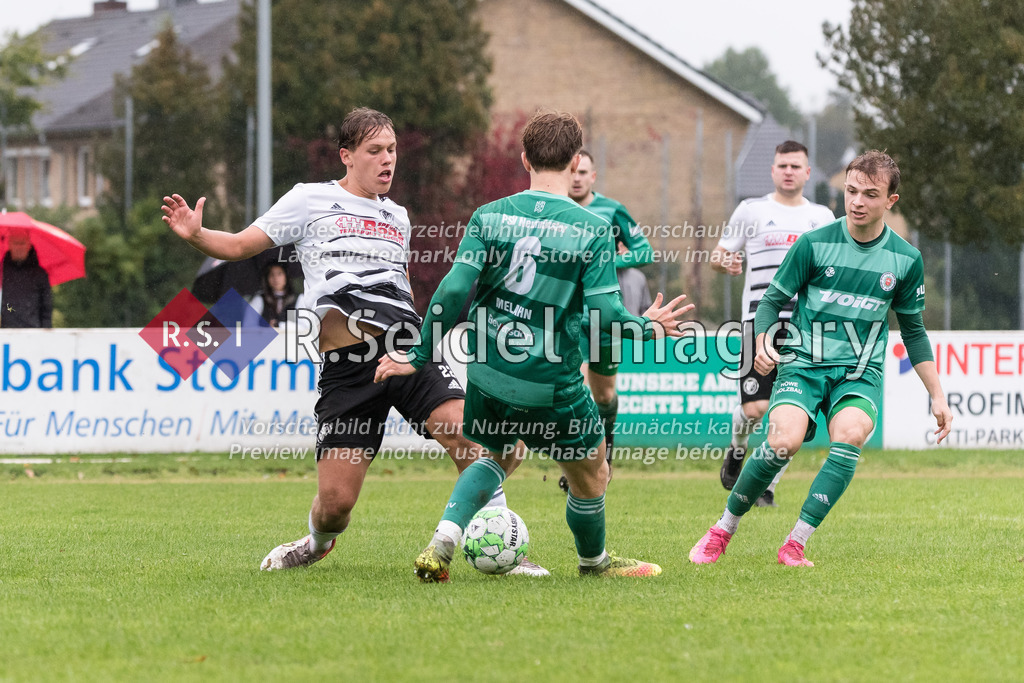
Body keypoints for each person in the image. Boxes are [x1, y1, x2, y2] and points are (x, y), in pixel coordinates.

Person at [162, 107, 548, 576]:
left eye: (392, 150)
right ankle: (316, 542)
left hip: (405, 350)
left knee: (473, 437)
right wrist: (197, 234)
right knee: (335, 505)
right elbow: (243, 245)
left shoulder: (398, 217)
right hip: (347, 366)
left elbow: (400, 285)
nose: (388, 160)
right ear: (347, 156)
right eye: (375, 151)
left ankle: (502, 547)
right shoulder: (309, 200)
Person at [374, 110, 694, 582]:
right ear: (574, 161)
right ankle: (595, 564)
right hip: (550, 381)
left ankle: (443, 540)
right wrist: (647, 326)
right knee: (593, 475)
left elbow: (451, 290)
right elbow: (605, 318)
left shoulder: (489, 216)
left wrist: (418, 355)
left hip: (487, 373)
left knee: (498, 455)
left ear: (525, 158)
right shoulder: (591, 229)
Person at [689, 150, 953, 567]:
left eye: (870, 194)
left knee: (850, 435)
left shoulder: (905, 260)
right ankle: (723, 528)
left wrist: (937, 394)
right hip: (804, 364)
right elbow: (772, 300)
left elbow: (914, 331)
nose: (858, 201)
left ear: (891, 201)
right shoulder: (814, 243)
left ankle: (795, 543)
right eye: (851, 191)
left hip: (859, 373)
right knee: (782, 442)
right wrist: (762, 342)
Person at [712, 141, 835, 506]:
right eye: (782, 165)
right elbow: (720, 253)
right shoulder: (752, 210)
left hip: (804, 327)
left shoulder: (823, 218)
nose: (788, 171)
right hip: (759, 322)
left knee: (793, 413)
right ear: (772, 170)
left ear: (807, 173)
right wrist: (726, 264)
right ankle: (737, 447)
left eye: (796, 166)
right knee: (755, 410)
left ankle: (767, 486)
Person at [563, 150, 654, 489]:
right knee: (576, 387)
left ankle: (606, 451)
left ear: (593, 176)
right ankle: (577, 463)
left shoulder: (612, 210)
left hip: (604, 315)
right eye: (572, 171)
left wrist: (605, 263)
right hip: (566, 316)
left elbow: (645, 251)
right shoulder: (556, 208)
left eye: (583, 172)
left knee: (603, 395)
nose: (576, 177)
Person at [1, 228, 53, 328]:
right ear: (9, 244)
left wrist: (46, 333)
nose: (19, 247)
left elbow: (46, 308)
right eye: (16, 243)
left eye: (22, 243)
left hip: (33, 331)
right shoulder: (1, 272)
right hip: (4, 333)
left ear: (29, 245)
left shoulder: (40, 274)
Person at [250, 262, 298, 328]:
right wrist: (266, 327)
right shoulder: (260, 299)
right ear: (267, 278)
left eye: (279, 274)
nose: (275, 278)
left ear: (286, 276)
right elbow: (248, 326)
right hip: (265, 337)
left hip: (290, 337)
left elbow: (304, 326)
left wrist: (279, 325)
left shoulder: (297, 299)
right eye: (271, 275)